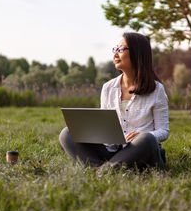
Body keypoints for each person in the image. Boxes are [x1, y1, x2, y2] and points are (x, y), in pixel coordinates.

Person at [59, 32, 169, 169]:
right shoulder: (108, 88)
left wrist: (143, 134)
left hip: (140, 151)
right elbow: (105, 126)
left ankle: (102, 170)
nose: (115, 54)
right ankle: (103, 169)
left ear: (137, 53)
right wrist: (98, 133)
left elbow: (163, 131)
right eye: (115, 49)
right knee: (67, 133)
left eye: (121, 49)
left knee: (147, 139)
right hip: (111, 151)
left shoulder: (157, 90)